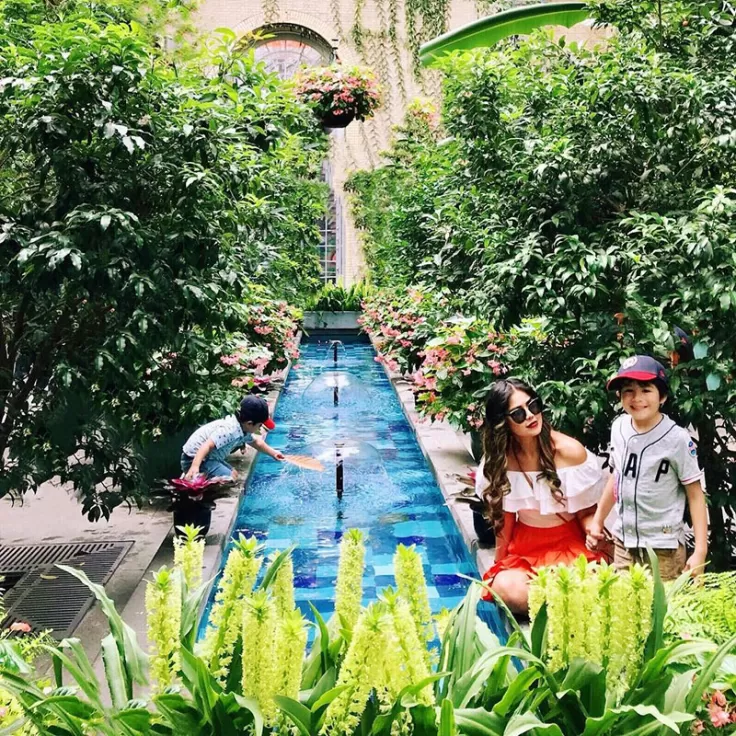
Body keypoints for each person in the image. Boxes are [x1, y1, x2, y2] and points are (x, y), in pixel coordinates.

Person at [476, 378, 608, 614]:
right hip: (526, 547)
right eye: (518, 413)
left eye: (533, 406)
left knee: (592, 583)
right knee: (507, 588)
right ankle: (561, 603)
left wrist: (594, 531)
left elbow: (587, 510)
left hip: (571, 544)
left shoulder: (570, 452)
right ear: (502, 422)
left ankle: (557, 602)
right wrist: (499, 564)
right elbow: (504, 520)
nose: (530, 416)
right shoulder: (499, 460)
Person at [586, 356, 708, 579]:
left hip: (664, 549)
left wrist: (700, 551)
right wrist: (598, 520)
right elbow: (617, 477)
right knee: (626, 606)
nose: (637, 398)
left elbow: (695, 495)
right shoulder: (619, 427)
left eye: (646, 389)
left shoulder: (677, 439)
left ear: (662, 396)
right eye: (628, 391)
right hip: (624, 543)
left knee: (664, 610)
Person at [181, 395, 284, 481]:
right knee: (228, 479)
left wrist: (273, 453)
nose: (260, 428)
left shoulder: (242, 427)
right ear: (249, 423)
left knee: (233, 474)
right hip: (194, 459)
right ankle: (194, 483)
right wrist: (195, 466)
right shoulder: (230, 430)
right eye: (260, 425)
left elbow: (256, 442)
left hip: (209, 457)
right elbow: (207, 445)